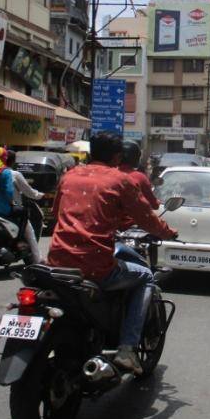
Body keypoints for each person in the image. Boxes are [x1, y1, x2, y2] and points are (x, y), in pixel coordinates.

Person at [47, 132, 177, 375]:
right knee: (146, 276)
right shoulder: (120, 180)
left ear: (89, 152)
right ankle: (127, 348)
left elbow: (57, 214)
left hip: (57, 262)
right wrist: (168, 233)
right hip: (96, 266)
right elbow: (148, 218)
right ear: (118, 157)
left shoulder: (69, 175)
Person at [5, 150, 44, 264]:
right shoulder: (14, 174)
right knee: (30, 233)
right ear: (13, 161)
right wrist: (40, 195)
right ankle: (37, 261)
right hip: (12, 210)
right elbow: (28, 192)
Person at [119, 141, 159, 210]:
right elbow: (154, 205)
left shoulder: (108, 174)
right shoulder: (140, 177)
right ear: (136, 158)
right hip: (134, 219)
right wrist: (157, 202)